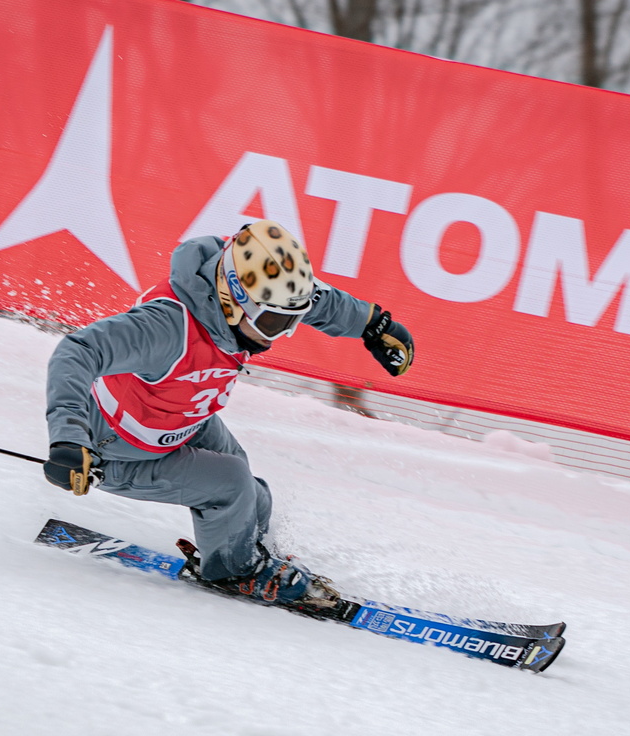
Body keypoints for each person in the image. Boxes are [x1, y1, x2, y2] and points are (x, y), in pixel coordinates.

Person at [43, 220, 414, 611]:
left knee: (254, 495)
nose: (278, 335)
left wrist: (374, 325)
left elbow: (319, 302)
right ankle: (237, 572)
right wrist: (68, 440)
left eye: (290, 321)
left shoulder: (254, 285)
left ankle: (251, 555)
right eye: (273, 322)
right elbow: (78, 351)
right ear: (231, 295)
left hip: (182, 422)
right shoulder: (167, 326)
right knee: (231, 483)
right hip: (113, 451)